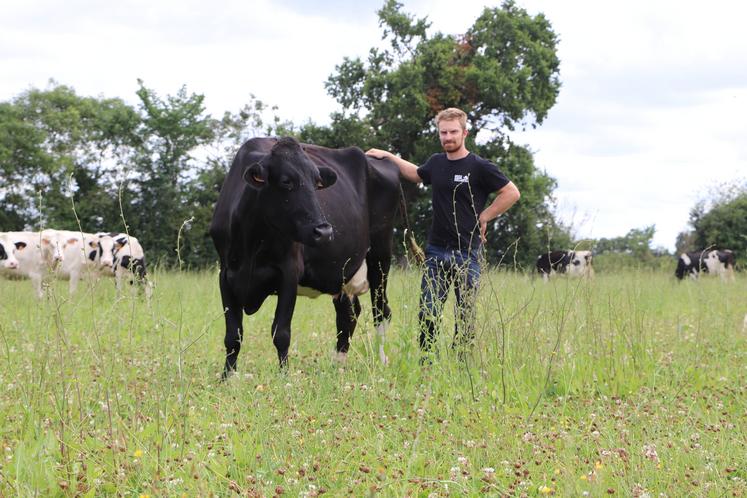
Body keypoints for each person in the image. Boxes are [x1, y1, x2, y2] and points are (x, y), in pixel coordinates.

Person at [366, 108, 521, 359]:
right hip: (436, 251)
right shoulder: (436, 163)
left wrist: (485, 216)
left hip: (467, 252)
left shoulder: (479, 166)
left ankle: (461, 364)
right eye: (443, 133)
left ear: (465, 133)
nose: (448, 137)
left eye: (453, 132)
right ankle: (427, 361)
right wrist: (388, 156)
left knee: (465, 314)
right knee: (428, 311)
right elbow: (415, 174)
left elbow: (511, 192)